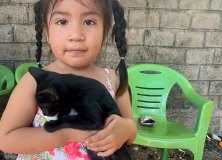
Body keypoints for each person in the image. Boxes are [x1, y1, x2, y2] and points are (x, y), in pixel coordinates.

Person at [0, 0, 137, 159]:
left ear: (105, 32)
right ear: (47, 33)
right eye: (62, 21)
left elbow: (131, 130)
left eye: (89, 22)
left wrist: (126, 129)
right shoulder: (34, 82)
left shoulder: (114, 80)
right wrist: (66, 133)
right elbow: (5, 138)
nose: (76, 35)